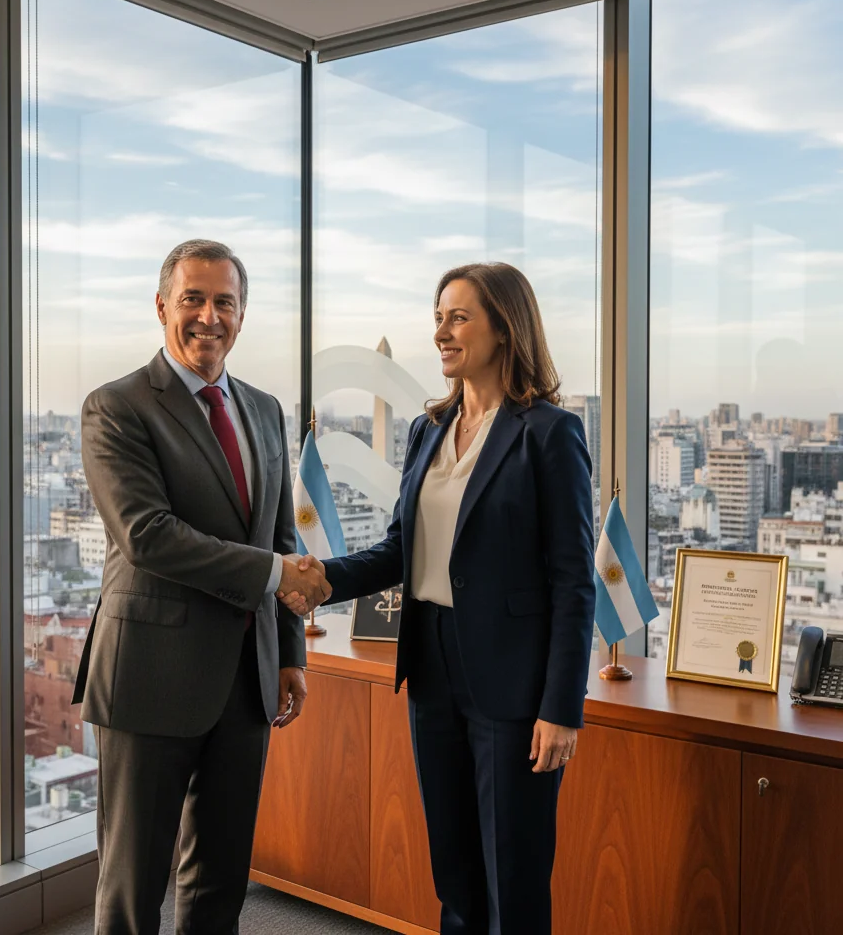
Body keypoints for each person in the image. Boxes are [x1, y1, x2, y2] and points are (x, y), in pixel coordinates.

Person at [281, 262, 595, 935]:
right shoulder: (428, 429)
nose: (441, 333)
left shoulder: (549, 433)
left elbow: (574, 583)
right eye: (437, 318)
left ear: (504, 327)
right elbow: (402, 547)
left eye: (458, 317)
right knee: (453, 871)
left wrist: (560, 709)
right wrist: (324, 578)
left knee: (513, 878)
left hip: (514, 685)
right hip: (431, 670)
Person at [73, 239, 330, 935]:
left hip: (246, 681)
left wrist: (290, 654)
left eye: (225, 302)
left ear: (242, 315)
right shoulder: (116, 406)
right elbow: (147, 535)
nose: (209, 317)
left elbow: (279, 536)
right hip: (149, 677)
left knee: (220, 880)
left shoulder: (264, 409)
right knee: (132, 889)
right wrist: (277, 575)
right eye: (193, 299)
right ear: (162, 306)